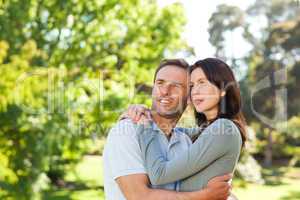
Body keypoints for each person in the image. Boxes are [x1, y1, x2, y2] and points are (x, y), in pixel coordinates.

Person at [103, 59, 232, 200]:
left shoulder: (185, 141)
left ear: (189, 97)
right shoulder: (127, 131)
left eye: (176, 86)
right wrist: (204, 196)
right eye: (160, 83)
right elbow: (138, 196)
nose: (165, 91)